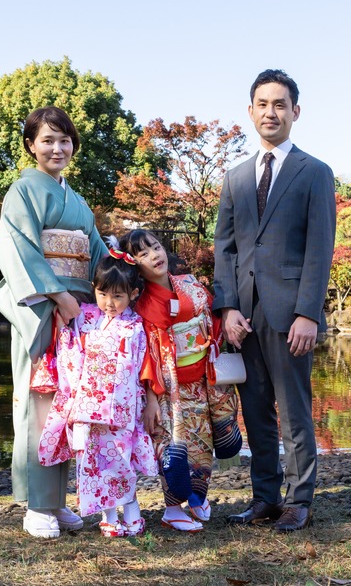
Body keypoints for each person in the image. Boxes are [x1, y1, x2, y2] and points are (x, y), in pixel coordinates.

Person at [213, 69, 336, 532]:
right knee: (255, 411)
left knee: (294, 411)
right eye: (262, 104)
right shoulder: (236, 177)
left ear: (295, 112)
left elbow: (319, 248)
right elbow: (224, 248)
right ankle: (264, 498)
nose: (271, 112)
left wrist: (308, 313)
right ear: (250, 111)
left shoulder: (315, 173)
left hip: (290, 314)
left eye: (280, 104)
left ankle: (299, 499)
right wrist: (225, 308)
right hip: (243, 315)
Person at [0, 106, 107, 539]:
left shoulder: (76, 200)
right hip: (43, 308)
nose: (58, 148)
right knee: (39, 403)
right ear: (31, 146)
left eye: (65, 140)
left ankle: (57, 502)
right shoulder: (22, 192)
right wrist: (56, 296)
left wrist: (127, 280)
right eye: (47, 140)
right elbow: (17, 249)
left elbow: (97, 256)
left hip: (75, 309)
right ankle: (37, 505)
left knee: (69, 405)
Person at [125, 228, 242, 532]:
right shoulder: (141, 305)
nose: (154, 255)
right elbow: (146, 355)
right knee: (174, 447)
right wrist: (150, 398)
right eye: (143, 253)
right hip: (168, 389)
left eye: (156, 247)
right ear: (135, 264)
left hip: (203, 380)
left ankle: (197, 497)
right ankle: (172, 509)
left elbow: (215, 320)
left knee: (202, 444)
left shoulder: (190, 284)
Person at [38, 249, 157, 537]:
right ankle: (108, 516)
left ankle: (132, 514)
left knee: (120, 460)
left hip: (122, 406)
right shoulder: (84, 316)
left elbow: (143, 363)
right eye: (103, 294)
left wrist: (148, 399)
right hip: (87, 403)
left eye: (118, 296)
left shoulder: (136, 326)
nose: (109, 302)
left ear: (133, 294)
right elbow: (68, 348)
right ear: (95, 289)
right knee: (94, 462)